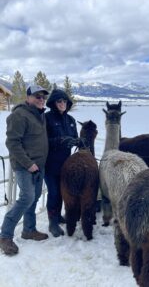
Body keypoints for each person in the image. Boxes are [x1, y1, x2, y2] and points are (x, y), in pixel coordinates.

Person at [0, 84, 49, 256]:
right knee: (27, 197)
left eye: (43, 97)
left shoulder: (40, 115)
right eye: (37, 96)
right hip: (25, 166)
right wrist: (29, 164)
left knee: (34, 197)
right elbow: (12, 143)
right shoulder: (19, 115)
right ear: (28, 98)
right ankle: (5, 235)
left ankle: (29, 230)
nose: (41, 100)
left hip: (39, 166)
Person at [45, 89, 80, 237]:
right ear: (53, 103)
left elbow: (75, 138)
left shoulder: (71, 121)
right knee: (53, 193)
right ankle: (53, 221)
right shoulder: (46, 118)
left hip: (66, 164)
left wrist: (78, 141)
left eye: (65, 101)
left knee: (62, 192)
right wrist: (59, 141)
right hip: (50, 163)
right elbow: (42, 141)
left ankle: (59, 216)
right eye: (59, 101)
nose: (62, 104)